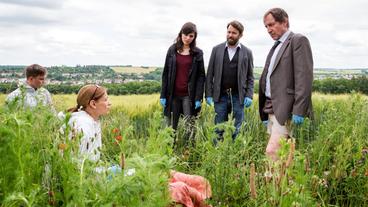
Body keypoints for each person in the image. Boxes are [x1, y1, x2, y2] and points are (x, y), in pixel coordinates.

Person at [259, 8, 313, 160]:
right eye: (266, 27)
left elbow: (304, 77)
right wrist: (263, 111)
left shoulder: (298, 40)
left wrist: (299, 110)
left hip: (286, 109)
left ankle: (271, 183)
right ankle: (283, 182)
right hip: (270, 107)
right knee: (284, 155)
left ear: (285, 22)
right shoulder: (276, 45)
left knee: (272, 152)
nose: (269, 30)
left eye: (271, 24)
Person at [205, 20, 254, 143]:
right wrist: (209, 94)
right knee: (219, 128)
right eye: (228, 32)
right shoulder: (216, 49)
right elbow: (210, 74)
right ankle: (217, 154)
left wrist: (249, 95)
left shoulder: (247, 52)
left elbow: (250, 77)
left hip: (238, 96)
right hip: (220, 95)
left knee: (237, 128)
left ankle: (235, 155)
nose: (230, 35)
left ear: (240, 35)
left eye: (234, 33)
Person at [160, 22, 205, 142]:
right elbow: (166, 73)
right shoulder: (172, 50)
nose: (188, 38)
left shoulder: (197, 53)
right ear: (180, 34)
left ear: (194, 37)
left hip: (188, 96)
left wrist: (198, 98)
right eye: (185, 35)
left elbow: (201, 76)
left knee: (189, 126)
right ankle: (171, 150)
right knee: (171, 127)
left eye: (191, 36)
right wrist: (163, 95)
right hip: (173, 95)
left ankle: (189, 151)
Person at [66, 84, 111, 162]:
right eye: (105, 100)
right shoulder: (82, 126)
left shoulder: (91, 121)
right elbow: (78, 162)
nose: (109, 103)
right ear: (93, 104)